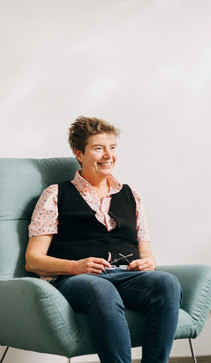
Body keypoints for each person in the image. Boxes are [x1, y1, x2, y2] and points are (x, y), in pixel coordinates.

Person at [25, 116, 182, 363]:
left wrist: (148, 262)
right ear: (79, 154)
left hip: (126, 274)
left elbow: (146, 250)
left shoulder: (132, 195)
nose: (108, 155)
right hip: (77, 279)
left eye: (112, 147)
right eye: (98, 148)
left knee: (167, 283)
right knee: (101, 287)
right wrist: (75, 266)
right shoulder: (56, 194)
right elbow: (33, 260)